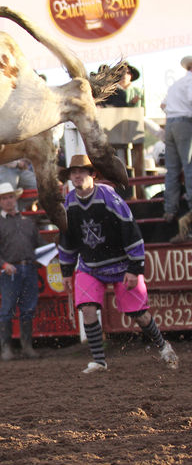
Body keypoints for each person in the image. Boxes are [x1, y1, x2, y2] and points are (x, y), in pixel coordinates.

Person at [57, 154, 179, 373]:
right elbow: (67, 237)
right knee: (87, 309)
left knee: (139, 315)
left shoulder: (109, 198)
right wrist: (66, 270)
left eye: (81, 171)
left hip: (122, 264)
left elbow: (130, 230)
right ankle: (99, 360)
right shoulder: (69, 203)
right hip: (90, 266)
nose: (76, 175)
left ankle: (163, 346)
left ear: (92, 174)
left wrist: (134, 268)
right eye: (73, 172)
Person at [0, 182, 46, 360]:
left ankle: (24, 347)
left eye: (10, 197)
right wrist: (4, 265)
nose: (8, 201)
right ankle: (9, 348)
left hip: (28, 267)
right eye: (4, 198)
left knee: (27, 308)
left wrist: (45, 256)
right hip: (10, 270)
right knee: (8, 308)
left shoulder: (28, 222)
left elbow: (40, 245)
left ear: (15, 199)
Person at [160, 56, 192, 223]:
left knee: (172, 169)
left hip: (171, 122)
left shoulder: (177, 83)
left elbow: (163, 105)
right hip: (184, 122)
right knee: (189, 165)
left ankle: (170, 210)